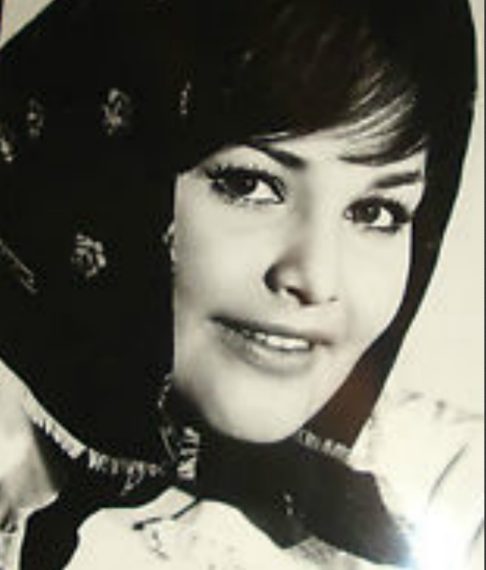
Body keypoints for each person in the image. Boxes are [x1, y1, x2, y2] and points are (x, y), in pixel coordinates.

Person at [0, 0, 481, 568]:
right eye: (249, 184)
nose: (316, 278)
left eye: (376, 213)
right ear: (102, 165)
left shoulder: (436, 483)